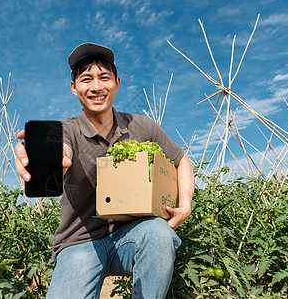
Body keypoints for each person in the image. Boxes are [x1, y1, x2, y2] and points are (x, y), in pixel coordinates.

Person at [15, 42, 195, 298]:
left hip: (131, 236)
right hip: (79, 243)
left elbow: (182, 160)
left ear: (117, 83)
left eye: (104, 78)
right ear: (74, 87)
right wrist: (44, 164)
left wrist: (185, 204)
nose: (96, 87)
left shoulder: (141, 126)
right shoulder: (68, 130)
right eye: (86, 79)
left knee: (158, 232)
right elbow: (61, 151)